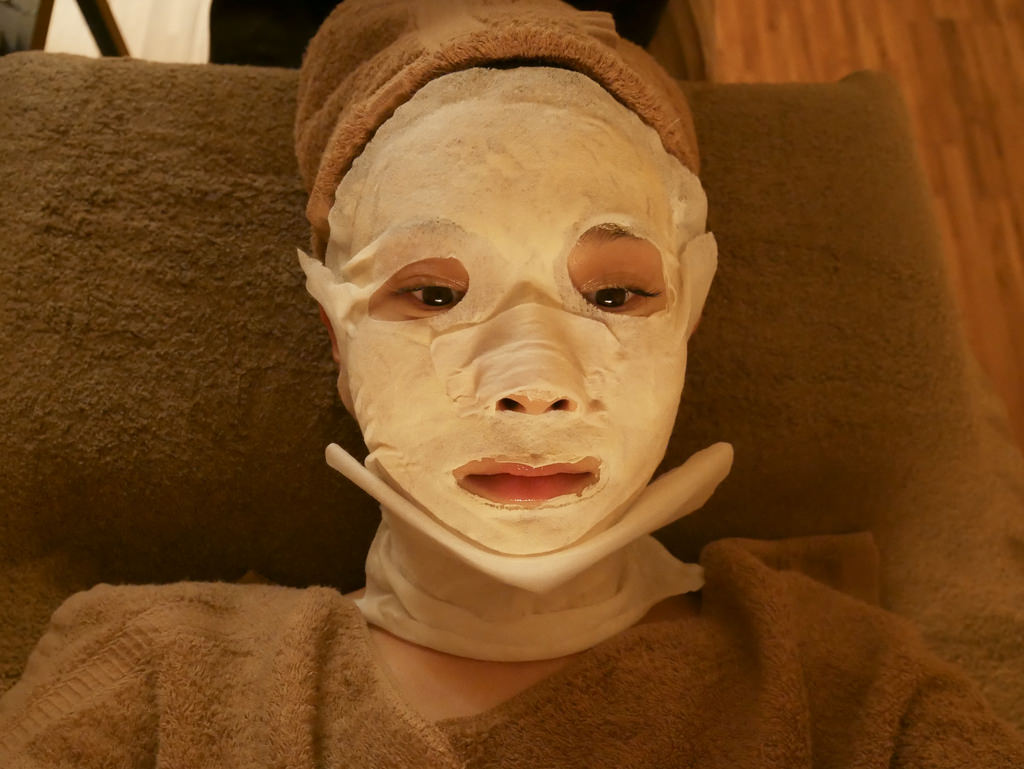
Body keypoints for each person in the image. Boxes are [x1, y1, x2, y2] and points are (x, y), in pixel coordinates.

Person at [2, 0, 1023, 766]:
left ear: (690, 314)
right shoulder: (151, 676)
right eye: (433, 293)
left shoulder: (856, 692)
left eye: (614, 295)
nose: (533, 385)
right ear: (335, 335)